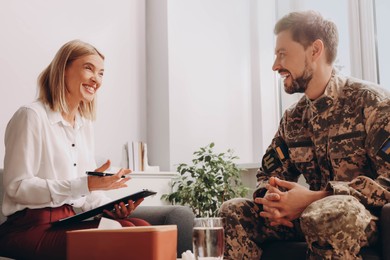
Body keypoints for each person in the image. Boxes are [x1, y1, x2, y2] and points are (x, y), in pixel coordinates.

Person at [219, 10, 390, 259]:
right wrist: (274, 199)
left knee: (328, 212)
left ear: (315, 50)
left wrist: (317, 198)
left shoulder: (372, 104)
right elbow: (268, 174)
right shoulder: (293, 118)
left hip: (360, 217)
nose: (275, 65)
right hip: (306, 218)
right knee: (233, 211)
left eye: (282, 53)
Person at [0, 40, 149, 259]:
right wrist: (83, 184)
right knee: (123, 235)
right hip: (27, 228)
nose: (96, 79)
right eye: (88, 68)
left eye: (101, 73)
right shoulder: (31, 116)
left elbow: (84, 194)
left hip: (67, 221)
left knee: (140, 226)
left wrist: (110, 207)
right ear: (63, 69)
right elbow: (16, 187)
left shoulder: (84, 124)